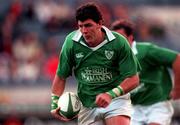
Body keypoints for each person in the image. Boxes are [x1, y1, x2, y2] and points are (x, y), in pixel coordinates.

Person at [50, 3, 141, 125]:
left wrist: (111, 94)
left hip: (115, 99)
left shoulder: (118, 42)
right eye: (80, 26)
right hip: (87, 103)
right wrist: (54, 103)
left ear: (99, 23)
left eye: (88, 25)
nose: (84, 31)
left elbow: (134, 79)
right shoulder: (71, 43)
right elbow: (61, 76)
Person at [111, 19, 180, 125]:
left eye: (122, 38)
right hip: (134, 109)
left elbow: (177, 59)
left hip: (157, 105)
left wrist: (177, 88)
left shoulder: (146, 51)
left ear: (130, 38)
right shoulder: (113, 59)